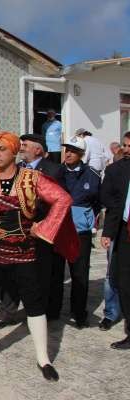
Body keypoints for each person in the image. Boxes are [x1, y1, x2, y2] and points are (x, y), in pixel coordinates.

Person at [0, 131, 78, 381]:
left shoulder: (33, 178)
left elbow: (63, 199)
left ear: (14, 152)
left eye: (1, 149)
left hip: (24, 253)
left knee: (34, 304)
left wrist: (44, 228)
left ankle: (43, 358)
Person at [0, 134, 66, 328]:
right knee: (9, 273)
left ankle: (39, 314)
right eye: (21, 144)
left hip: (38, 231)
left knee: (40, 274)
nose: (21, 147)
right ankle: (7, 312)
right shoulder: (14, 169)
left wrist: (41, 225)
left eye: (25, 145)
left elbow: (58, 202)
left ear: (38, 149)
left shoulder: (54, 170)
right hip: (14, 232)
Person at [50, 136, 100, 328]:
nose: (68, 153)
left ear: (81, 154)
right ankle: (53, 310)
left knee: (79, 273)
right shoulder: (57, 172)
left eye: (73, 151)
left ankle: (79, 313)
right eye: (66, 150)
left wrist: (86, 218)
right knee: (55, 273)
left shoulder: (92, 175)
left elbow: (97, 201)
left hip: (80, 233)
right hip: (58, 230)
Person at [100, 131, 130, 349]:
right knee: (123, 282)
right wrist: (108, 232)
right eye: (125, 145)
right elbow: (109, 202)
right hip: (124, 233)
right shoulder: (116, 170)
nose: (127, 149)